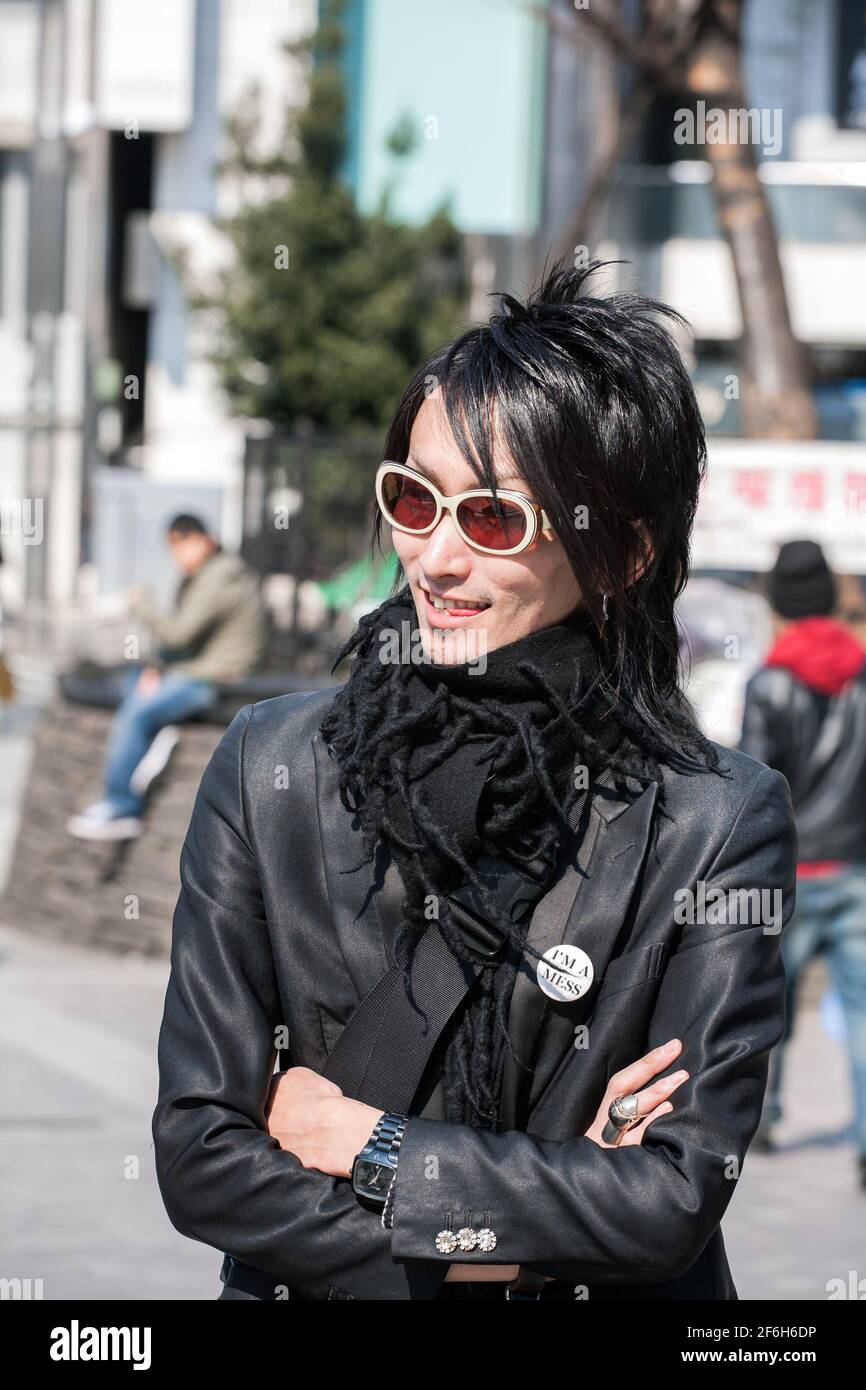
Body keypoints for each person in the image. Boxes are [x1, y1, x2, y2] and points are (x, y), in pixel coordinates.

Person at [151, 261, 796, 1301]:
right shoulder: (273, 764)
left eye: (490, 518)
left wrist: (371, 1146)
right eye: (411, 498)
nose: (433, 557)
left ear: (622, 551)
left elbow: (671, 1199)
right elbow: (201, 1158)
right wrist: (530, 1233)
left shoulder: (712, 819)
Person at [738, 539, 866, 1188]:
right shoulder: (864, 676)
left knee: (770, 1010)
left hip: (790, 881)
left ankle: (761, 1123)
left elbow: (757, 792)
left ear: (783, 606)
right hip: (858, 874)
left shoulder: (769, 683)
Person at [67, 515, 268, 841]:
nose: (177, 556)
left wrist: (141, 605)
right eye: (173, 548)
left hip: (219, 679)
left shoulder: (218, 578)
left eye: (181, 545)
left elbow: (178, 634)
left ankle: (121, 805)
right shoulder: (206, 574)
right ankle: (149, 746)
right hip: (201, 670)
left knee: (137, 710)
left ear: (204, 540)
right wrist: (156, 668)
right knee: (135, 684)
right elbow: (181, 644)